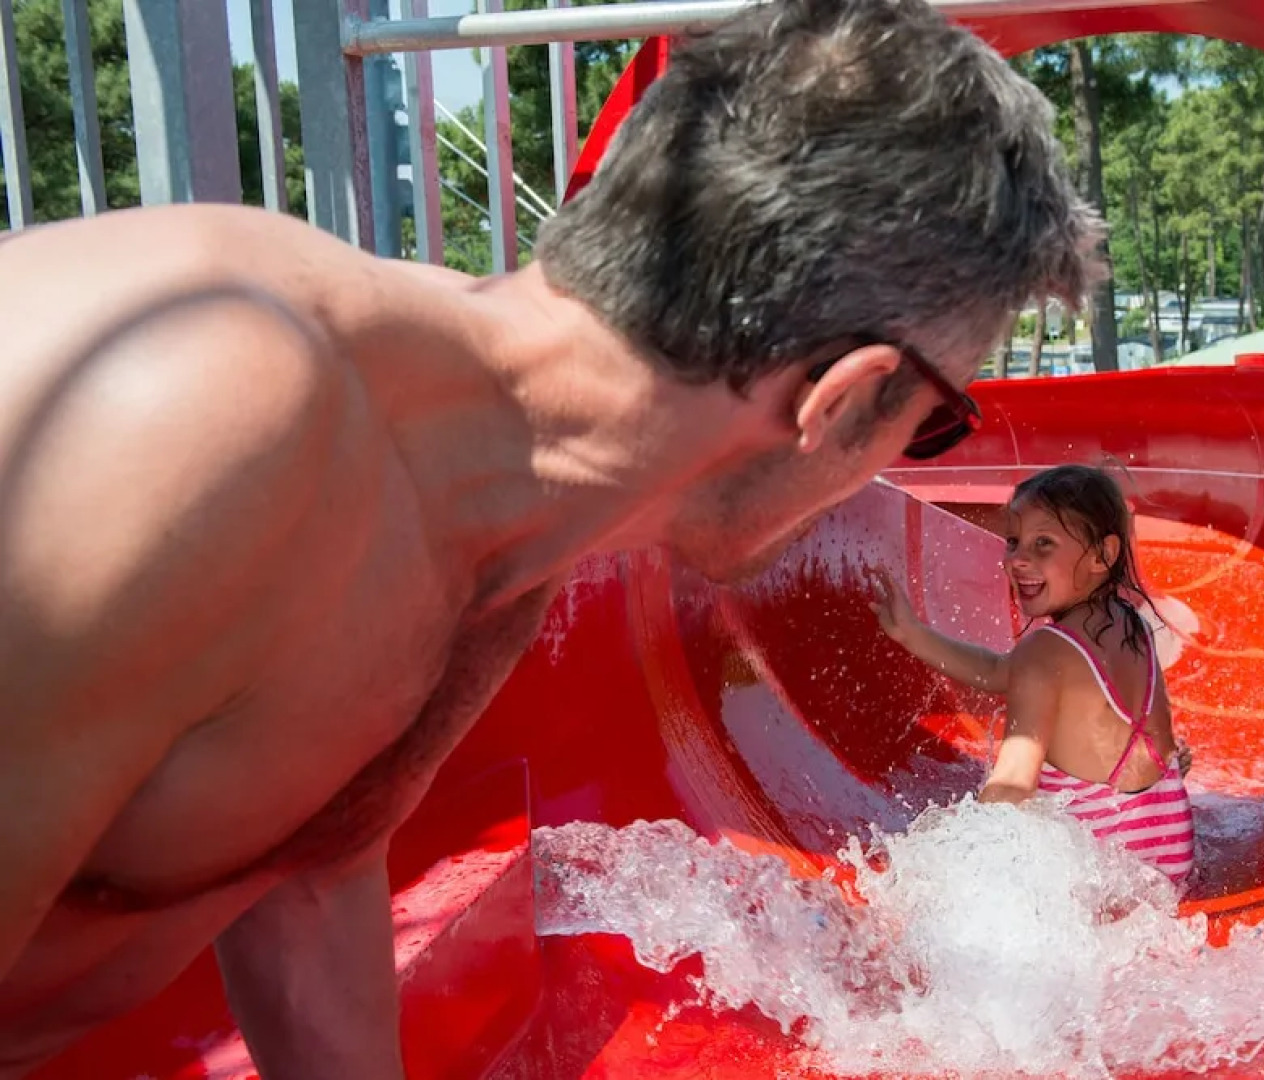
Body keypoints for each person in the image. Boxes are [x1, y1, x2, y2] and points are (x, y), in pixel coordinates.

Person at [0, 0, 1106, 1073]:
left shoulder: (503, 510)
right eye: (935, 421)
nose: (919, 456)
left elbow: (305, 879)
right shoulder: (188, 419)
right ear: (845, 394)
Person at [871, 465, 1195, 888]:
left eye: (1044, 544)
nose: (1017, 560)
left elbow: (1013, 785)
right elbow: (999, 671)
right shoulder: (1130, 622)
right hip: (1169, 850)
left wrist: (939, 859)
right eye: (1013, 542)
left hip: (1104, 875)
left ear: (1103, 555)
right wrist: (914, 636)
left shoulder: (1044, 654)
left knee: (927, 848)